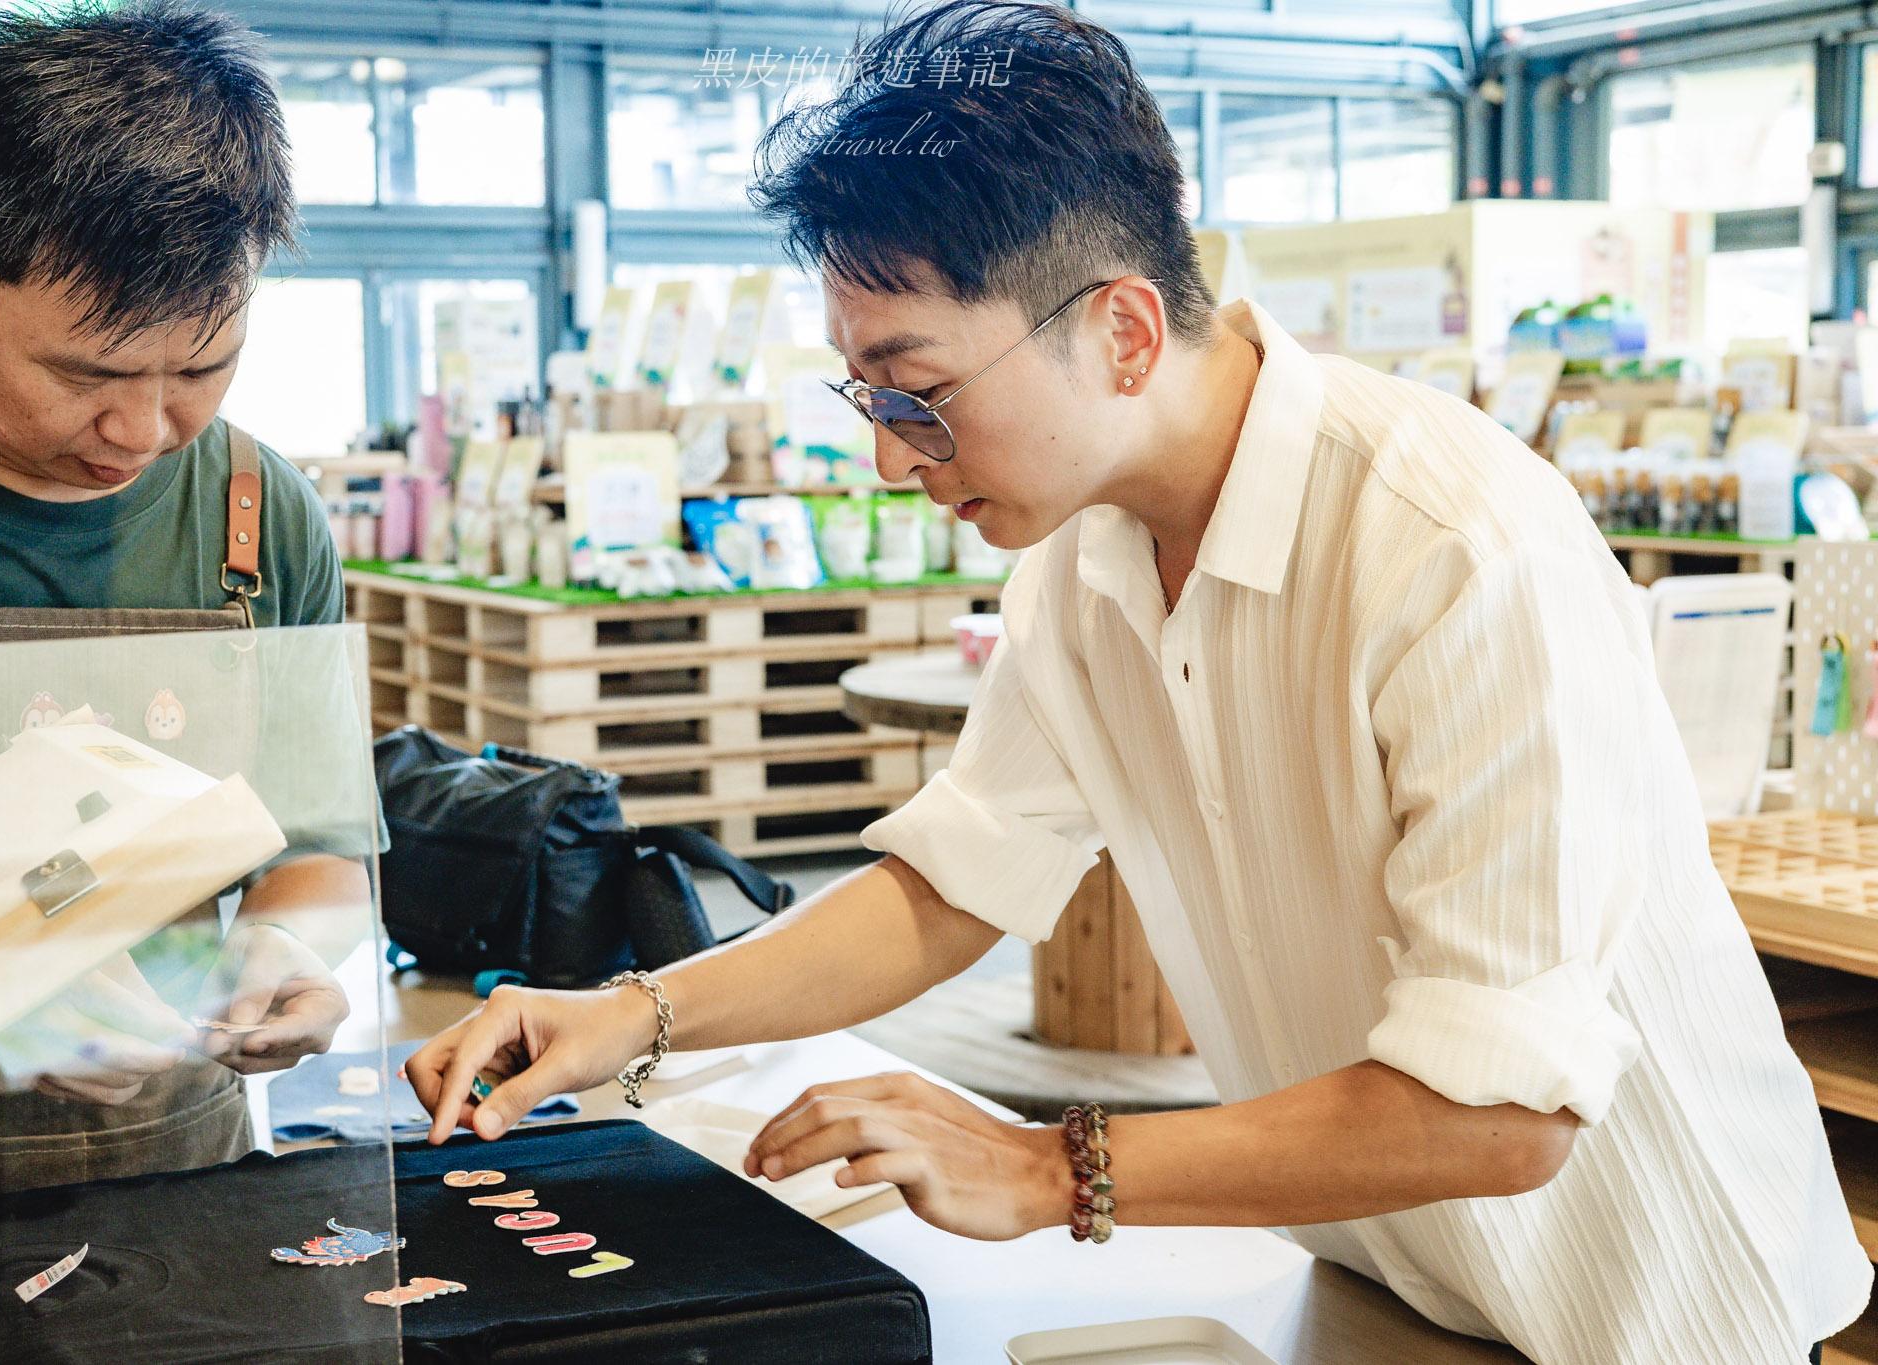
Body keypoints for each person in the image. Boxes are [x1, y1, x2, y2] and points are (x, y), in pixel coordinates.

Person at [407, 4, 1866, 1362]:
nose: (890, 455)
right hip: (1389, 1274)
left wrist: (1050, 1165)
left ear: (1120, 329)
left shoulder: (1458, 551)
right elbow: (955, 888)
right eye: (866, 394)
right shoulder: (1083, 557)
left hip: (1652, 1304)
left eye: (921, 392)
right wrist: (632, 1012)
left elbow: (1500, 1111)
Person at [0, 4, 369, 1355]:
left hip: (179, 1187)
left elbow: (319, 850)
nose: (141, 429)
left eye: (203, 364)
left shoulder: (262, 510)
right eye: (88, 372)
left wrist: (287, 950)